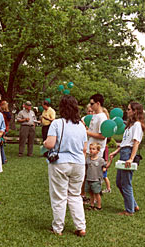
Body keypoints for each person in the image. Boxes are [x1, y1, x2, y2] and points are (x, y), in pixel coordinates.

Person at [44, 95, 87, 237]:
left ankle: (58, 228)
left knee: (59, 196)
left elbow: (50, 144)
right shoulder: (81, 125)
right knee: (75, 195)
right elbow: (84, 148)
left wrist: (44, 144)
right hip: (79, 163)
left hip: (60, 163)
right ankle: (81, 227)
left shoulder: (57, 123)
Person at [109, 102, 145, 216]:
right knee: (119, 182)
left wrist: (131, 158)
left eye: (129, 109)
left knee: (126, 183)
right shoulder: (130, 125)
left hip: (128, 154)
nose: (127, 111)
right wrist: (116, 152)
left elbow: (136, 142)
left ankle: (129, 210)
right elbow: (125, 142)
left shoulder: (137, 125)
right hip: (124, 152)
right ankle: (133, 204)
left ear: (135, 111)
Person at [85, 142, 106, 211]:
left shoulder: (100, 160)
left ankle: (99, 206)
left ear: (98, 151)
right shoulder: (87, 159)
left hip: (96, 179)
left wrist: (104, 168)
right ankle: (92, 205)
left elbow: (105, 165)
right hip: (89, 179)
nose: (91, 150)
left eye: (93, 149)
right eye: (90, 149)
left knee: (97, 193)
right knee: (91, 193)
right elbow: (85, 167)